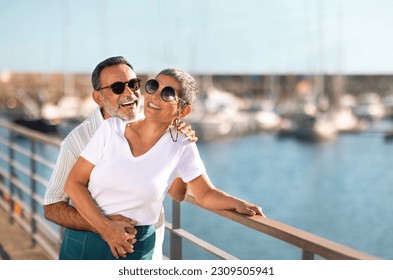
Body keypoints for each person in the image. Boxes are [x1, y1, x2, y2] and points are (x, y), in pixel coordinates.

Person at [62, 68, 266, 260]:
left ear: (183, 110)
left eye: (167, 93)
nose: (154, 95)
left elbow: (204, 194)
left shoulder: (182, 145)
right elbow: (73, 183)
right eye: (152, 86)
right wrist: (106, 228)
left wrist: (238, 203)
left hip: (134, 245)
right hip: (86, 236)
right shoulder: (110, 129)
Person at [44, 57, 197, 260]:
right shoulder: (76, 141)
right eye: (117, 87)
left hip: (145, 251)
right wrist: (104, 227)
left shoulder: (159, 124)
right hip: (90, 249)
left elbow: (178, 193)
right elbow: (52, 208)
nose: (129, 93)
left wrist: (178, 139)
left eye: (134, 84)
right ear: (98, 98)